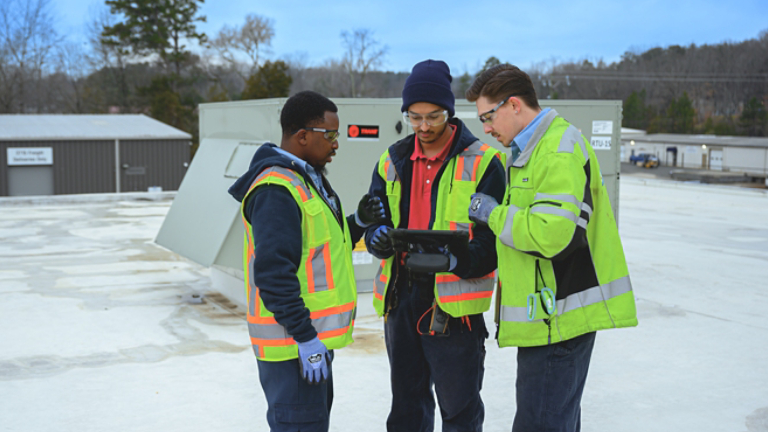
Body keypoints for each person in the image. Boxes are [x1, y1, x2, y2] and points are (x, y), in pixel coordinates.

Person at [465, 64, 638, 432]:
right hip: (548, 318)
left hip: (557, 321)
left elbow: (550, 235)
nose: (486, 129)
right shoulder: (531, 150)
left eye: (487, 117)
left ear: (513, 105)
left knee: (540, 423)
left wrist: (493, 215)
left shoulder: (557, 150)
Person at [228, 90, 385, 432]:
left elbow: (320, 248)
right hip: (293, 349)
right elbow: (273, 274)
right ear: (302, 136)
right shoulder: (277, 190)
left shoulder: (304, 180)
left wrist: (358, 221)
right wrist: (305, 337)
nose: (336, 144)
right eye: (329, 135)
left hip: (308, 345)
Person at [363, 60, 506, 432]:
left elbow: (492, 245)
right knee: (407, 408)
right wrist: (376, 239)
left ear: (450, 112)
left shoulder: (485, 163)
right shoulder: (390, 160)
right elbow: (375, 218)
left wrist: (455, 260)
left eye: (434, 116)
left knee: (460, 412)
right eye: (414, 117)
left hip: (454, 309)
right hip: (402, 298)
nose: (424, 127)